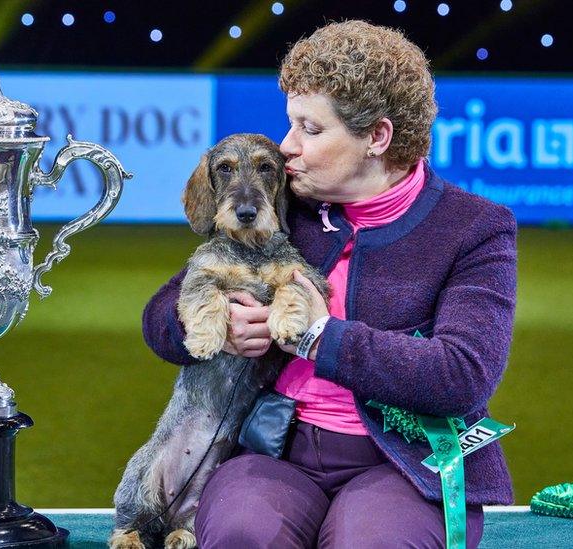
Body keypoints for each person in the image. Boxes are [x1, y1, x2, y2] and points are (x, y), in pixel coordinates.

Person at [141, 20, 516, 548]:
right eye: (289, 124)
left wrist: (321, 334)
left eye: (309, 130)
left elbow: (463, 376)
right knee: (242, 535)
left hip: (404, 464)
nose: (286, 147)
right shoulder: (282, 204)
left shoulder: (474, 227)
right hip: (275, 450)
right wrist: (217, 329)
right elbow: (159, 316)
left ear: (377, 138)